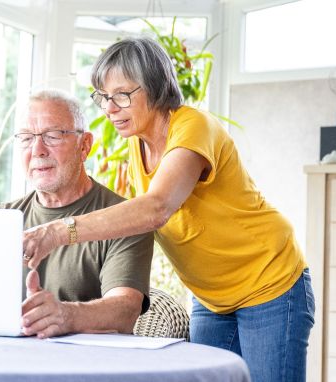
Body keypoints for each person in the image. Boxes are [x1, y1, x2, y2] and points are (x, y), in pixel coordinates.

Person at [22, 37, 314, 382]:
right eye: (103, 97)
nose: (109, 108)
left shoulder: (193, 127)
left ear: (155, 87)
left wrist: (58, 231)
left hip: (270, 282)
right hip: (211, 298)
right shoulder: (138, 145)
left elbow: (156, 208)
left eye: (122, 95)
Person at [0, 89, 153, 339]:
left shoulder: (125, 218)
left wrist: (65, 315)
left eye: (53, 135)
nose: (38, 150)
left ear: (84, 145)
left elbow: (125, 311)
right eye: (26, 138)